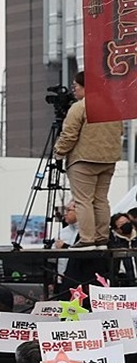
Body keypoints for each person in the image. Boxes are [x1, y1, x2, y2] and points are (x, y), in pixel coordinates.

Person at [55, 71, 124, 246]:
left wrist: (59, 152)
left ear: (85, 87)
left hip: (84, 160)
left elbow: (69, 135)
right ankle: (102, 237)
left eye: (76, 87)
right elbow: (120, 132)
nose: (74, 91)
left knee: (83, 200)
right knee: (101, 200)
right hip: (108, 160)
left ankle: (87, 239)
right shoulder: (113, 106)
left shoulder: (80, 107)